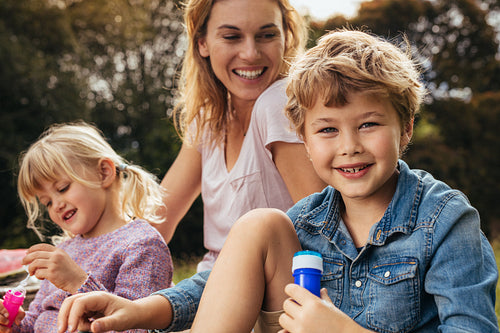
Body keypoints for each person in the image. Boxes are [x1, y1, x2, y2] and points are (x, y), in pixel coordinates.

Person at [56, 29, 499, 333]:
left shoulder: (443, 219)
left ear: (405, 129)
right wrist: (138, 311)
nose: (349, 146)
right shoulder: (308, 219)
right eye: (327, 130)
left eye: (368, 125)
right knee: (258, 225)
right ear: (304, 140)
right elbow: (208, 286)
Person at [156, 0, 326, 271]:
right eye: (232, 37)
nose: (250, 53)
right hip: (210, 287)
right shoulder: (208, 120)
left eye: (267, 35)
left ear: (287, 36)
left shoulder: (277, 104)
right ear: (202, 43)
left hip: (266, 298)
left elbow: (324, 233)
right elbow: (156, 222)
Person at [0, 122, 173, 333]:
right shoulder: (64, 251)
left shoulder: (142, 245)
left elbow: (137, 328)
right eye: (47, 202)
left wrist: (78, 282)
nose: (57, 205)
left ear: (104, 173)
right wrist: (14, 326)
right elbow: (36, 321)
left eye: (63, 188)